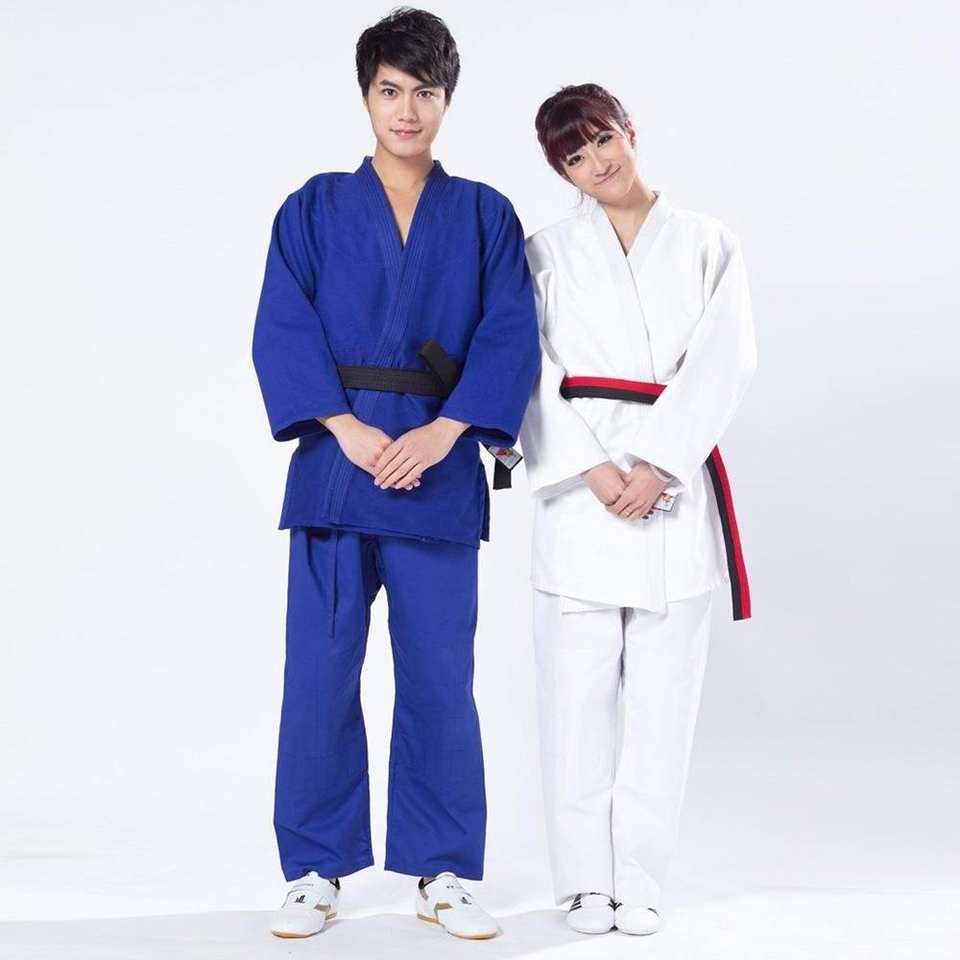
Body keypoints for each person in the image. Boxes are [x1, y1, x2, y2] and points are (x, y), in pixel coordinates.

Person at [252, 8, 539, 941]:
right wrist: (343, 427)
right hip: (337, 471)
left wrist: (449, 430)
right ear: (365, 95)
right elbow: (282, 324)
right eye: (389, 90)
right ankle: (314, 870)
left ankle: (443, 870)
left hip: (439, 471)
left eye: (424, 91)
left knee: (440, 679)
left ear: (448, 100)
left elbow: (510, 333)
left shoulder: (486, 214)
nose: (406, 110)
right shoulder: (312, 208)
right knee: (319, 674)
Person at [519, 83, 757, 936]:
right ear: (562, 172)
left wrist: (658, 464)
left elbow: (727, 358)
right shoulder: (546, 252)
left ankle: (642, 877)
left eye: (601, 141)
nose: (596, 164)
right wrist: (591, 468)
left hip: (670, 488)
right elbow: (526, 367)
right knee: (575, 700)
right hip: (580, 490)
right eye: (573, 157)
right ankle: (584, 882)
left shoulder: (706, 243)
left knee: (664, 701)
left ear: (630, 130)